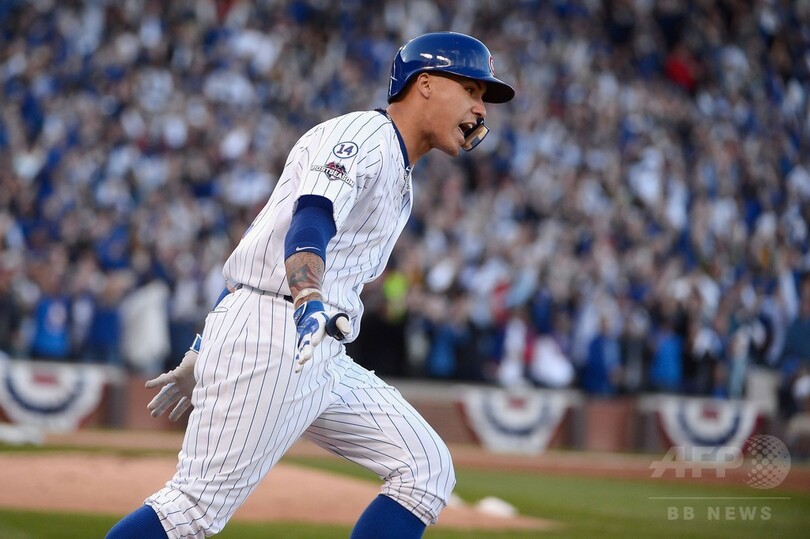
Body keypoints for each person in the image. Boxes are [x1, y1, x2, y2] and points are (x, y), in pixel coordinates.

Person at [106, 31, 515, 539]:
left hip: (317, 343)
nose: (480, 109)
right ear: (425, 84)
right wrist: (306, 300)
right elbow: (310, 220)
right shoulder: (364, 137)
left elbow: (260, 240)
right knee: (191, 509)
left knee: (425, 469)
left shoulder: (399, 168)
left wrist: (202, 344)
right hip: (280, 332)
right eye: (471, 90)